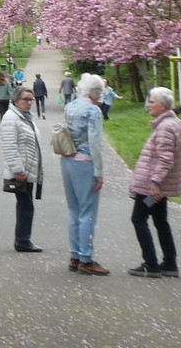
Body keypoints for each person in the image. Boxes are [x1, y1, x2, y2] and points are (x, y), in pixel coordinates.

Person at [129, 87, 181, 278]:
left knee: (138, 218)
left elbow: (165, 158)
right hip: (159, 188)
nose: (148, 105)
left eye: (152, 102)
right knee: (160, 221)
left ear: (163, 106)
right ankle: (170, 263)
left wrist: (155, 182)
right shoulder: (174, 123)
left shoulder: (165, 127)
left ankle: (151, 264)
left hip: (151, 188)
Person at [64, 73, 110, 275]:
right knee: (87, 213)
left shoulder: (70, 106)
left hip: (67, 161)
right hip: (85, 163)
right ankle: (86, 259)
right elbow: (95, 143)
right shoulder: (93, 111)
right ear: (97, 92)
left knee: (74, 210)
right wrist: (99, 172)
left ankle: (74, 256)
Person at [0, 86, 44, 253]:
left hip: (28, 169)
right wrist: (18, 170)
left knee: (26, 206)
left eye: (31, 100)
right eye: (26, 99)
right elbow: (10, 147)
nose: (29, 103)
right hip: (21, 171)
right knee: (26, 206)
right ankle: (22, 241)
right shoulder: (11, 118)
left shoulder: (24, 117)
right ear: (16, 100)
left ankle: (23, 239)